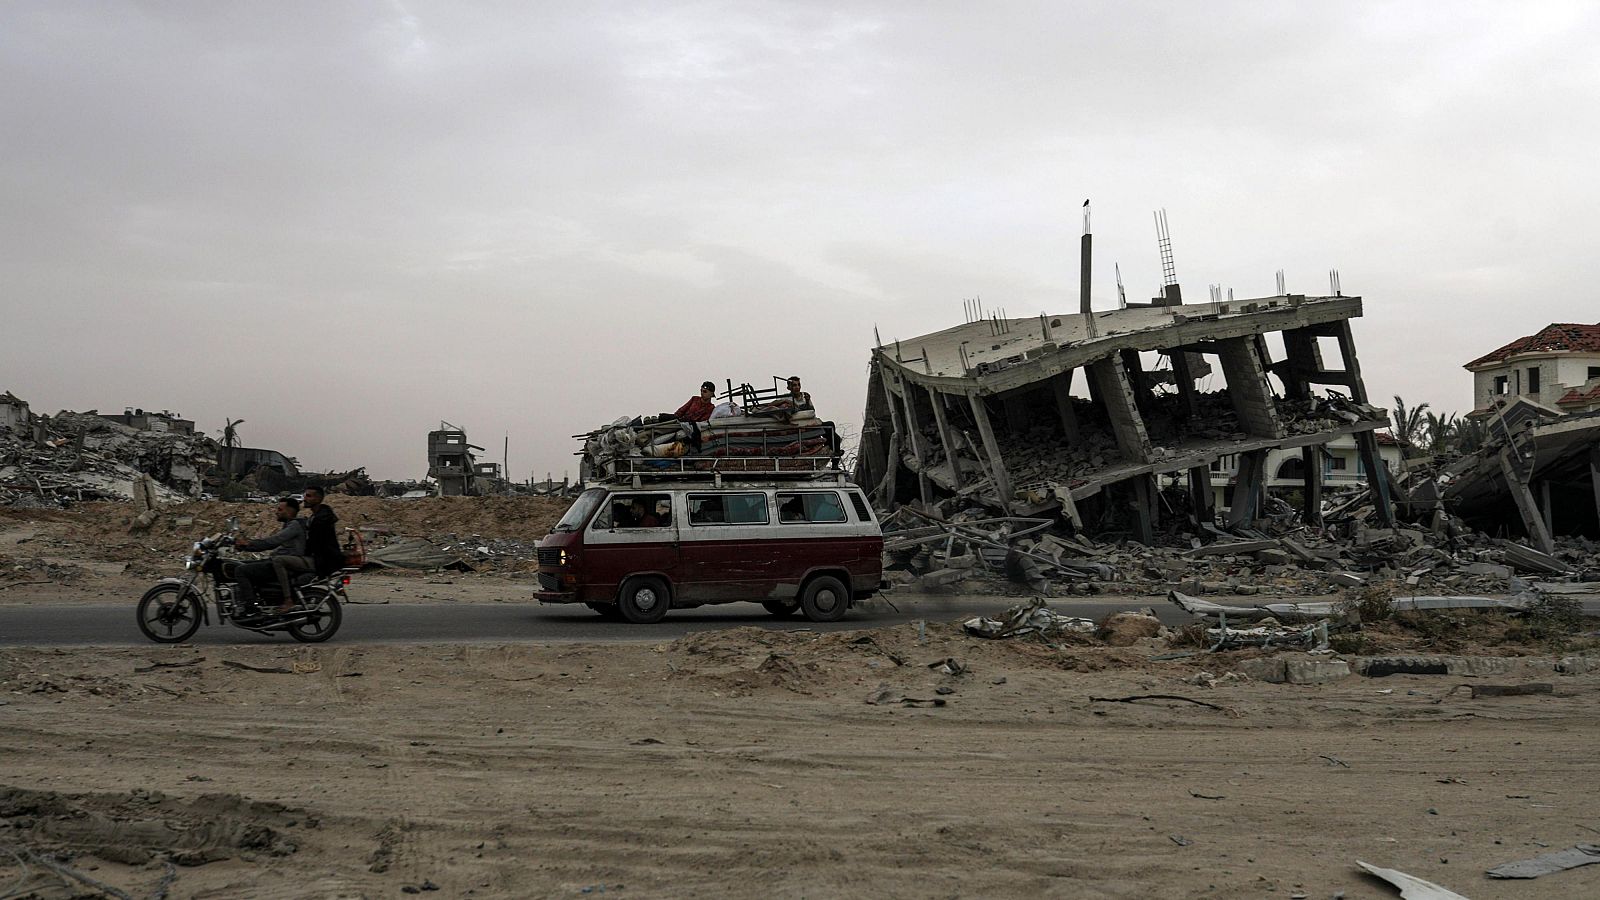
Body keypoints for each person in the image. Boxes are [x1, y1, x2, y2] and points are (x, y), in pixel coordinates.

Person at [232, 497, 307, 615]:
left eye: (280, 509)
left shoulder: (294, 525)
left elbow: (273, 541)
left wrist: (249, 544)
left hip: (286, 564)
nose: (277, 512)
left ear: (290, 511)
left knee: (240, 570)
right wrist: (246, 546)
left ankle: (250, 608)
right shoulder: (289, 525)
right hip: (280, 561)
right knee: (241, 564)